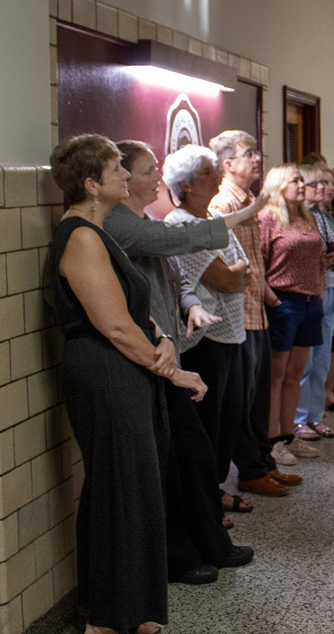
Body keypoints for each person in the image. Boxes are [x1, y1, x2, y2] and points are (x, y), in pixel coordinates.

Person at [46, 134, 206, 634]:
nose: (125, 174)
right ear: (91, 184)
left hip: (128, 370)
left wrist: (161, 339)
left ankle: (130, 608)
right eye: (117, 168)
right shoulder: (79, 236)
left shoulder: (103, 231)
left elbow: (136, 313)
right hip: (104, 374)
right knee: (121, 487)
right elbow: (113, 325)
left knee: (135, 487)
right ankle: (109, 617)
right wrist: (174, 370)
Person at [105, 140, 257, 585]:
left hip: (170, 352)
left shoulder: (141, 219)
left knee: (194, 452)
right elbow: (181, 242)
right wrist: (250, 210)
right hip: (149, 359)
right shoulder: (119, 224)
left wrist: (189, 303)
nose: (158, 178)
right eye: (148, 170)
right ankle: (183, 553)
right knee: (181, 457)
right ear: (120, 179)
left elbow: (176, 276)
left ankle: (209, 544)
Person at [209, 130, 304, 489]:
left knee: (259, 396)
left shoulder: (251, 200)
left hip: (257, 313)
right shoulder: (223, 206)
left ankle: (263, 462)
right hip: (239, 315)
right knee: (244, 402)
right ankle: (251, 471)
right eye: (249, 154)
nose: (256, 159)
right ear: (228, 164)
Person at [163, 145, 251, 502]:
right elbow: (229, 280)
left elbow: (243, 268)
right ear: (184, 184)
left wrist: (237, 274)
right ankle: (206, 497)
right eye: (208, 172)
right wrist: (236, 275)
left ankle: (215, 488)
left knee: (230, 416)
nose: (217, 176)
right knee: (208, 421)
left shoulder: (212, 223)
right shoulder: (180, 224)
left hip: (231, 333)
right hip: (205, 339)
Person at [259, 164, 326, 462]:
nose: (302, 184)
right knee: (277, 374)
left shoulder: (308, 216)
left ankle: (289, 433)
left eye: (302, 179)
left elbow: (317, 258)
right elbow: (257, 262)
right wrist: (272, 299)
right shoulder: (269, 218)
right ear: (278, 185)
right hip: (283, 301)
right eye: (295, 180)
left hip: (311, 302)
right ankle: (272, 440)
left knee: (297, 373)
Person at [293, 164, 334, 440]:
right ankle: (299, 418)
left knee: (321, 361)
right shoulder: (297, 217)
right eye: (316, 183)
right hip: (309, 292)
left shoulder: (326, 217)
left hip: (330, 291)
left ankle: (315, 416)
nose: (323, 188)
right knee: (304, 363)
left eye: (325, 183)